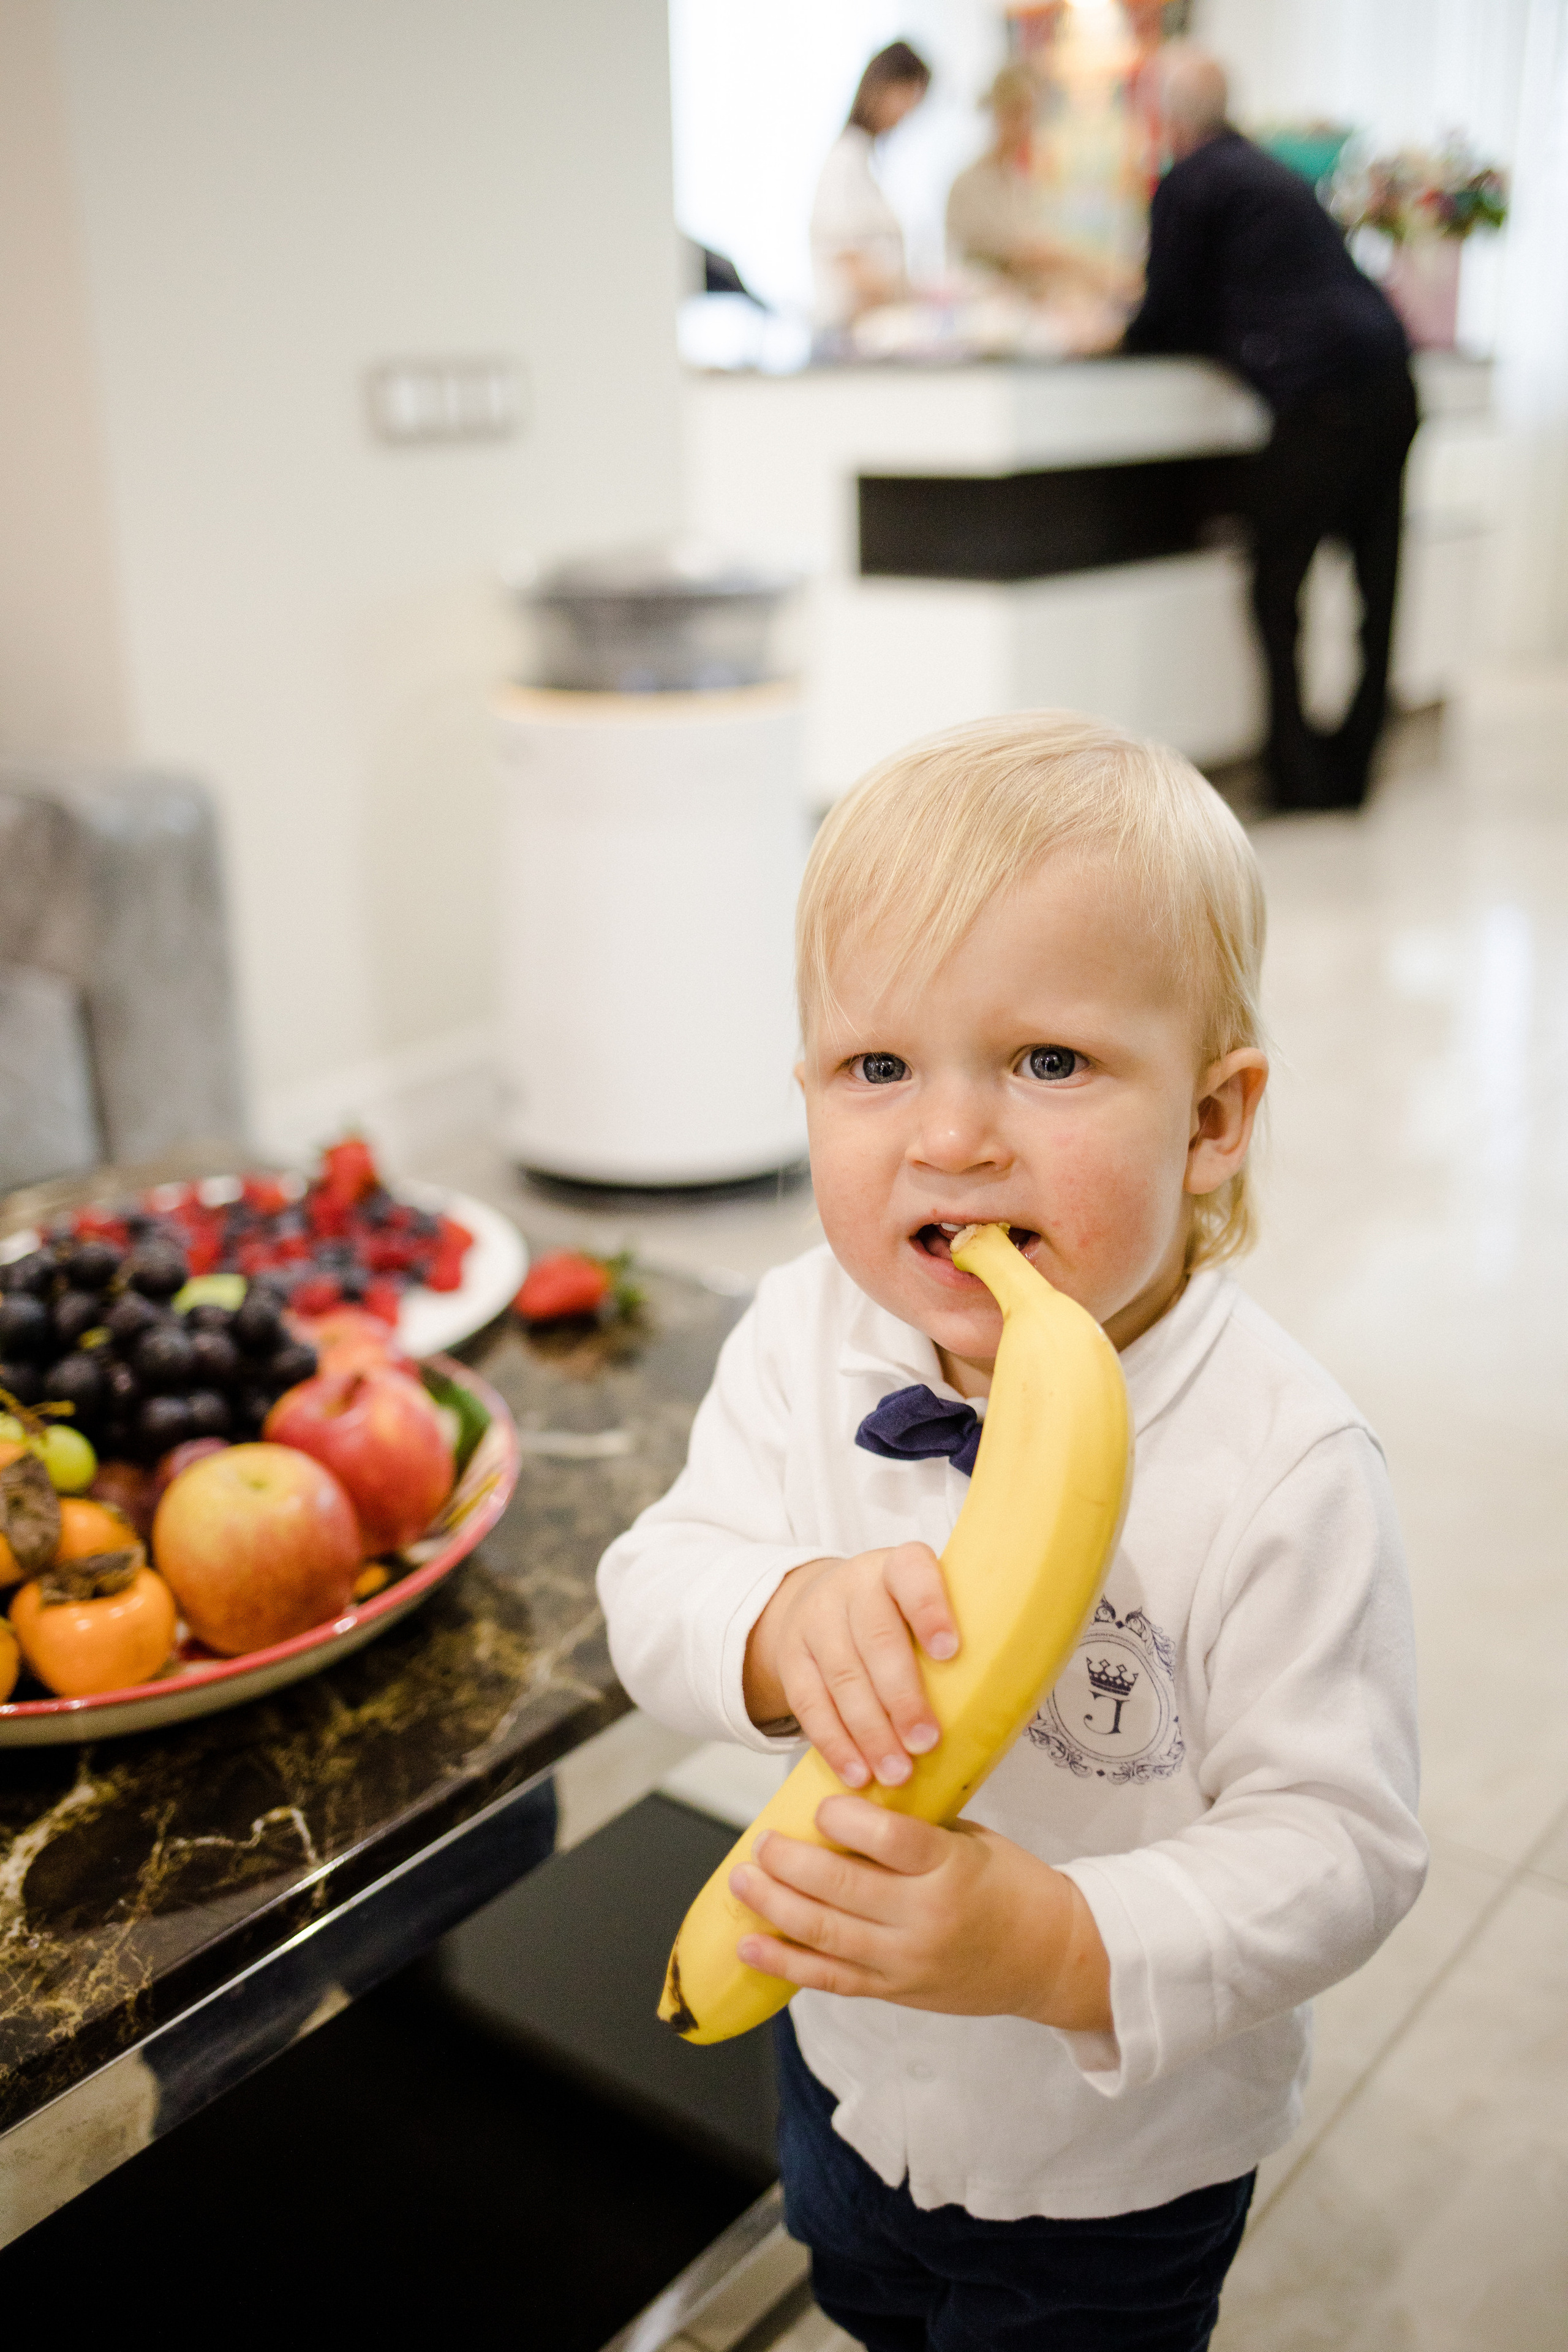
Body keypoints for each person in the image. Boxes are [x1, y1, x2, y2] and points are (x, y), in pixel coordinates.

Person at [599, 711, 1425, 2351]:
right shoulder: (797, 1335)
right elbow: (652, 1588)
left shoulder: (1286, 1461)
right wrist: (771, 1620)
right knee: (866, 2299)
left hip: (1111, 2168)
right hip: (837, 2067)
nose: (951, 1137)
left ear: (1210, 1121)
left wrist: (1062, 1941)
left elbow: (1346, 1849)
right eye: (877, 1067)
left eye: (1049, 1063)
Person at [1122, 45, 1419, 813]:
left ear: (1165, 115)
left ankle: (1297, 775)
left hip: (1324, 394)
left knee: (1275, 581)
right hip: (1390, 372)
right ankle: (1350, 768)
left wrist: (1110, 337)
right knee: (1375, 577)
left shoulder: (1191, 180)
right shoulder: (1273, 172)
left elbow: (1166, 315)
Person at [947, 64, 1134, 303]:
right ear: (998, 113)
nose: (1026, 125)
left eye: (1032, 114)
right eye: (1017, 113)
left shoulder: (1019, 181)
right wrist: (1103, 272)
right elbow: (1026, 254)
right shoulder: (969, 185)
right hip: (987, 315)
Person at [810, 42, 930, 339]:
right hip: (844, 335)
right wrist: (910, 291)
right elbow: (845, 259)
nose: (909, 112)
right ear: (882, 88)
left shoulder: (865, 161)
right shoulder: (844, 160)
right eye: (908, 95)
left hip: (866, 331)